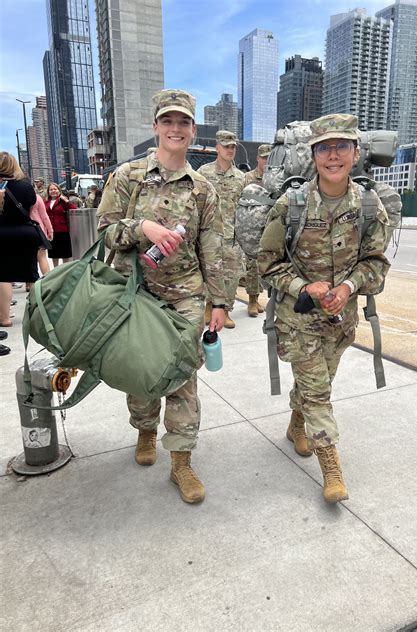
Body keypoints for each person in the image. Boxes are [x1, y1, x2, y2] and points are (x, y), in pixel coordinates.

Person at [97, 89, 226, 504]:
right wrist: (143, 229)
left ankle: (181, 461)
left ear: (193, 130)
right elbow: (105, 232)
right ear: (155, 127)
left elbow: (213, 248)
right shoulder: (128, 176)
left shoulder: (203, 189)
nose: (175, 128)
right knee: (140, 371)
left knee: (183, 376)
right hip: (135, 293)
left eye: (183, 122)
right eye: (168, 121)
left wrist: (219, 302)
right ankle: (145, 428)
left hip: (185, 295)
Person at [258, 114, 390, 504]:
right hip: (298, 319)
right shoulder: (292, 204)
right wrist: (304, 287)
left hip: (340, 319)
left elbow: (376, 264)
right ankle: (331, 467)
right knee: (317, 392)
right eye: (324, 148)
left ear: (356, 152)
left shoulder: (369, 205)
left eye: (341, 146)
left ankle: (296, 425)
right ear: (313, 155)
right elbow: (267, 263)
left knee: (320, 384)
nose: (333, 155)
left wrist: (348, 287)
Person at [197, 130, 245, 329]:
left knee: (232, 275)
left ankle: (226, 311)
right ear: (217, 148)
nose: (230, 150)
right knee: (209, 271)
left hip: (232, 235)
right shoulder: (204, 173)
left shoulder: (241, 177)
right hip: (210, 234)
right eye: (226, 146)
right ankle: (209, 306)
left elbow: (244, 208)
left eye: (233, 147)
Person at [0, 152, 39, 336]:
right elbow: (32, 204)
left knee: (3, 276)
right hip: (26, 233)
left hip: (3, 233)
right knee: (32, 273)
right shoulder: (25, 184)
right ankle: (39, 314)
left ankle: (4, 317)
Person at [243, 143, 273, 317]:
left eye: (269, 158)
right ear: (258, 158)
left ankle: (262, 298)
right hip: (251, 229)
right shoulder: (247, 178)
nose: (266, 161)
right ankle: (252, 300)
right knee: (252, 265)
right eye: (264, 158)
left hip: (269, 228)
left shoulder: (274, 179)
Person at [46, 183, 76, 267]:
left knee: (65, 253)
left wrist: (66, 201)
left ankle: (65, 270)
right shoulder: (46, 202)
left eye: (55, 189)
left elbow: (74, 209)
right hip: (51, 231)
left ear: (59, 190)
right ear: (48, 192)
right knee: (53, 253)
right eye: (51, 189)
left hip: (62, 230)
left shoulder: (63, 201)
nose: (53, 191)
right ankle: (56, 270)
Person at [30, 194, 53, 277]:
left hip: (22, 230)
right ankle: (48, 279)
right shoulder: (37, 197)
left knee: (29, 259)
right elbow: (44, 216)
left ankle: (30, 282)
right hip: (38, 230)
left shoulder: (15, 196)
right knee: (42, 257)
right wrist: (50, 231)